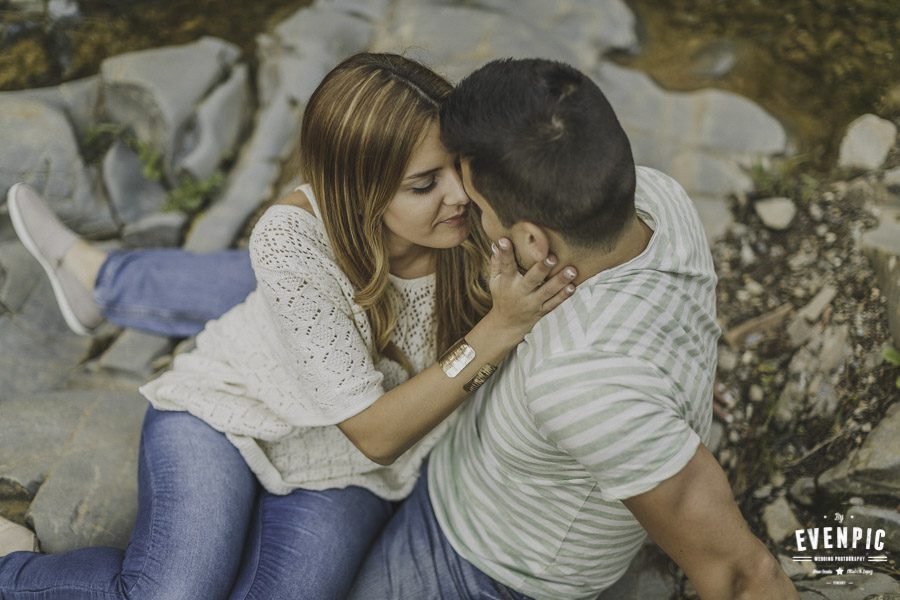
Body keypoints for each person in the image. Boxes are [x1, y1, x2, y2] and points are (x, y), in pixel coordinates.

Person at [0, 52, 578, 600]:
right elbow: (374, 431)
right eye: (424, 184)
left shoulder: (485, 215)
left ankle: (106, 278)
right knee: (173, 591)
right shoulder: (292, 238)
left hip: (347, 474)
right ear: (359, 190)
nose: (458, 195)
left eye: (460, 165)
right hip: (231, 413)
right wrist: (496, 331)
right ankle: (13, 566)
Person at [345, 58, 800, 600]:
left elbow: (745, 576)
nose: (465, 210)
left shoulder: (586, 380)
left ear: (534, 242)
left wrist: (649, 411)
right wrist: (680, 393)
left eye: (480, 206)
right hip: (464, 475)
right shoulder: (656, 198)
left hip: (485, 566)